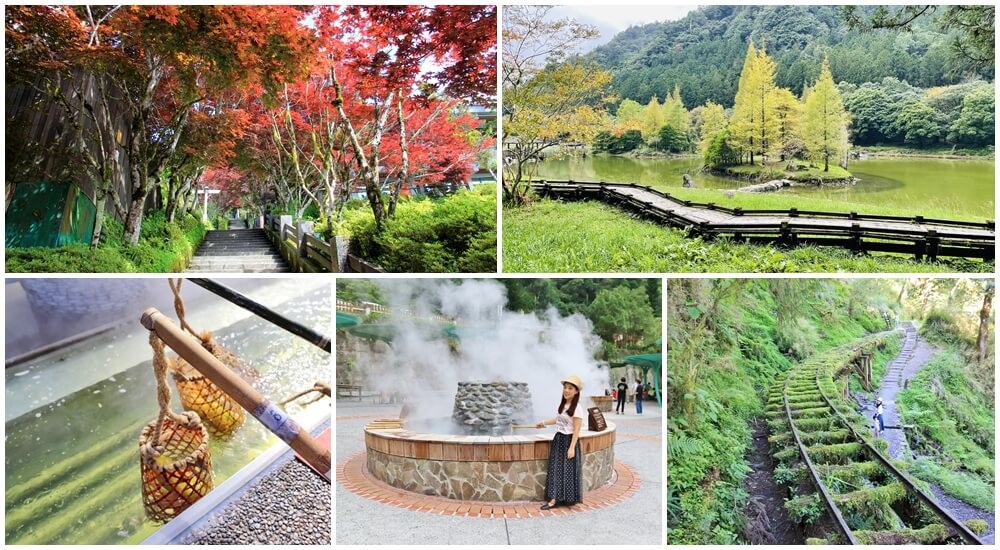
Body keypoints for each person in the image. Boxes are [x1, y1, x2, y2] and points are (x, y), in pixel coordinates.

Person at [535, 375, 585, 510]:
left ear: (576, 391)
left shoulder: (577, 408)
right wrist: (543, 423)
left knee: (566, 470)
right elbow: (558, 420)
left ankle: (559, 499)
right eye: (565, 387)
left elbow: (577, 429)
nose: (566, 390)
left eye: (570, 388)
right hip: (559, 439)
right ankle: (556, 498)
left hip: (568, 440)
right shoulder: (564, 405)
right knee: (557, 470)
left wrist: (572, 448)